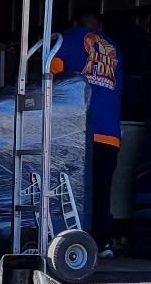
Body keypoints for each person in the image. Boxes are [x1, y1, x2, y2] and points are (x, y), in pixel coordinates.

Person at [51, 13, 122, 254]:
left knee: (70, 192)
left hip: (77, 132)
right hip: (110, 133)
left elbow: (50, 78)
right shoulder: (115, 49)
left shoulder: (67, 40)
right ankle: (103, 243)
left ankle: (71, 242)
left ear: (75, 23)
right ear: (100, 26)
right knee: (102, 190)